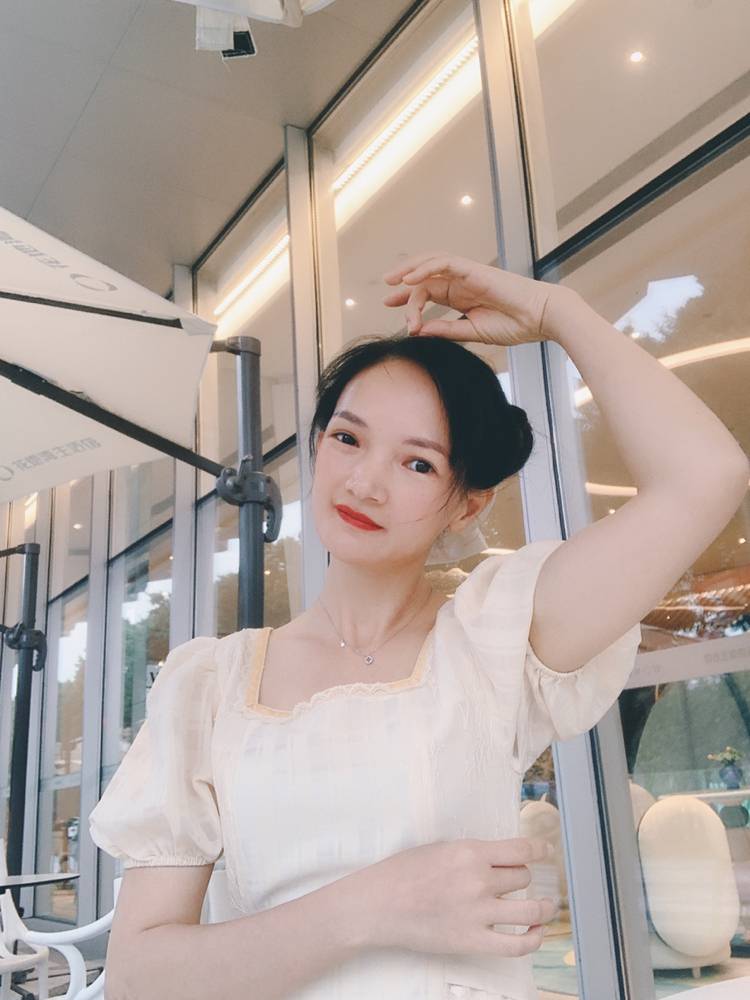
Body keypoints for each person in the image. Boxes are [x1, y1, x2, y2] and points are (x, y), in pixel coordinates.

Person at [89, 253, 748, 1000]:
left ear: (467, 504)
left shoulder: (496, 637)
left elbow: (705, 478)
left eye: (419, 464)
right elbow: (138, 979)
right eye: (348, 438)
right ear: (317, 444)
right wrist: (373, 907)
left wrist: (555, 313)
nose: (366, 482)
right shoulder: (210, 686)